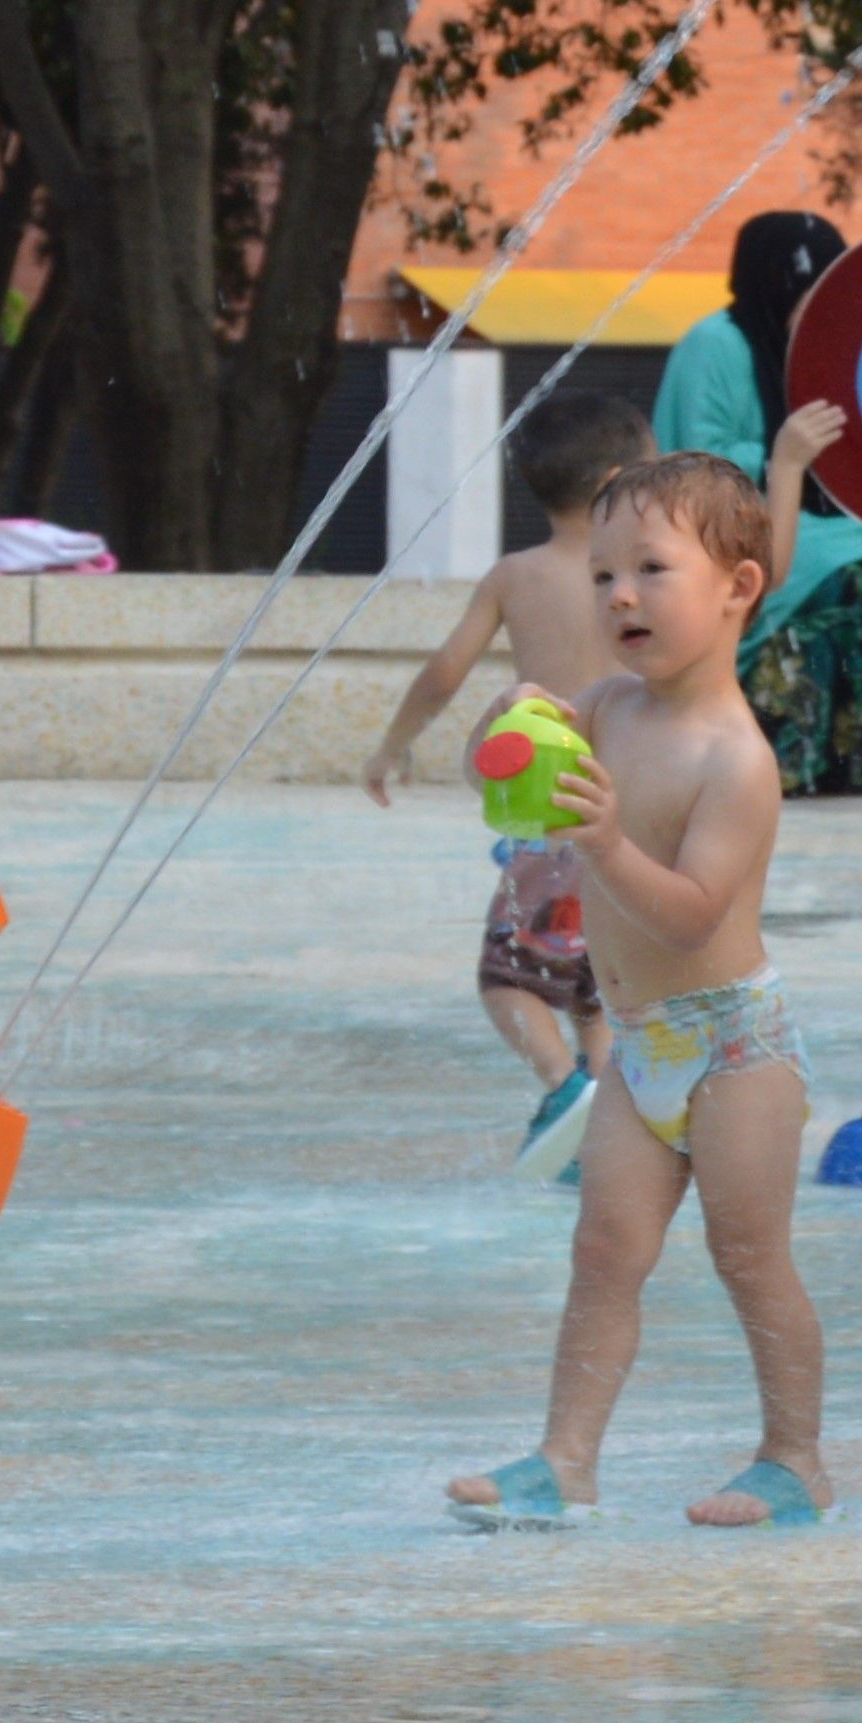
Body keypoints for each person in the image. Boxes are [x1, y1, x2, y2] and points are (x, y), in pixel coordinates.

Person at [446, 452, 829, 1533]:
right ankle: (564, 1460)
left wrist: (605, 842)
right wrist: (503, 723)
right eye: (605, 574)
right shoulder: (607, 706)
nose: (620, 595)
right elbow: (497, 767)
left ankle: (795, 1459)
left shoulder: (735, 759)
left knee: (750, 1258)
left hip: (737, 1049)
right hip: (644, 1045)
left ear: (737, 587)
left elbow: (694, 911)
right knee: (605, 1250)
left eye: (652, 569)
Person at [363, 394, 657, 1176]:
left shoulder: (515, 575)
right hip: (628, 817)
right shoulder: (641, 583)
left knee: (507, 975)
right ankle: (594, 1095)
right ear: (621, 479)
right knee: (598, 980)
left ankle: (563, 1084)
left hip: (547, 815)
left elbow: (445, 670)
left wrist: (392, 746)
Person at [654, 210, 862, 800]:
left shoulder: (833, 349)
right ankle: (790, 756)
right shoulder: (715, 345)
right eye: (810, 292)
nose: (821, 308)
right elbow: (694, 458)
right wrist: (782, 454)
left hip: (833, 524)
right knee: (841, 580)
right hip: (730, 527)